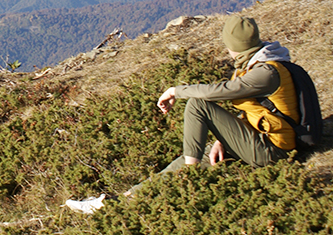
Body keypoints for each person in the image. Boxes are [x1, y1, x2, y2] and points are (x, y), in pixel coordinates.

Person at [66, 16, 299, 213]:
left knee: (198, 106)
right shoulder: (258, 64)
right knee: (187, 158)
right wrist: (222, 139)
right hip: (262, 138)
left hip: (274, 150)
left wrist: (176, 91)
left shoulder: (266, 72)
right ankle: (116, 203)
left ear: (233, 44)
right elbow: (260, 111)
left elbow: (224, 91)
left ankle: (191, 180)